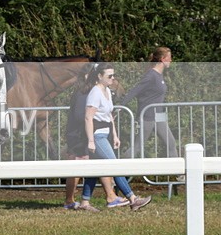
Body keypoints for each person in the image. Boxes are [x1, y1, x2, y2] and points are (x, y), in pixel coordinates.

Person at [80, 63, 152, 211]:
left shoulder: (106, 90)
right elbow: (88, 117)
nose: (113, 78)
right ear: (100, 76)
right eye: (109, 76)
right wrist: (91, 141)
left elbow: (109, 115)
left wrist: (115, 135)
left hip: (104, 134)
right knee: (115, 165)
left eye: (113, 75)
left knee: (94, 171)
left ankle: (84, 202)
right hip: (97, 136)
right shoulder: (95, 92)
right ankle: (133, 198)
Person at [63, 64, 128, 212]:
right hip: (79, 136)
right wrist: (95, 128)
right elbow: (82, 117)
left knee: (97, 166)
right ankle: (69, 200)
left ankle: (106, 197)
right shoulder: (83, 93)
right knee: (78, 169)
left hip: (87, 134)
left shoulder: (94, 92)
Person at [120, 46, 178, 159]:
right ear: (162, 59)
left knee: (171, 144)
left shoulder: (159, 75)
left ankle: (179, 175)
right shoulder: (151, 75)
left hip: (159, 117)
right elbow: (134, 91)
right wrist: (120, 106)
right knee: (137, 147)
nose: (171, 60)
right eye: (169, 58)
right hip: (147, 116)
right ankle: (117, 172)